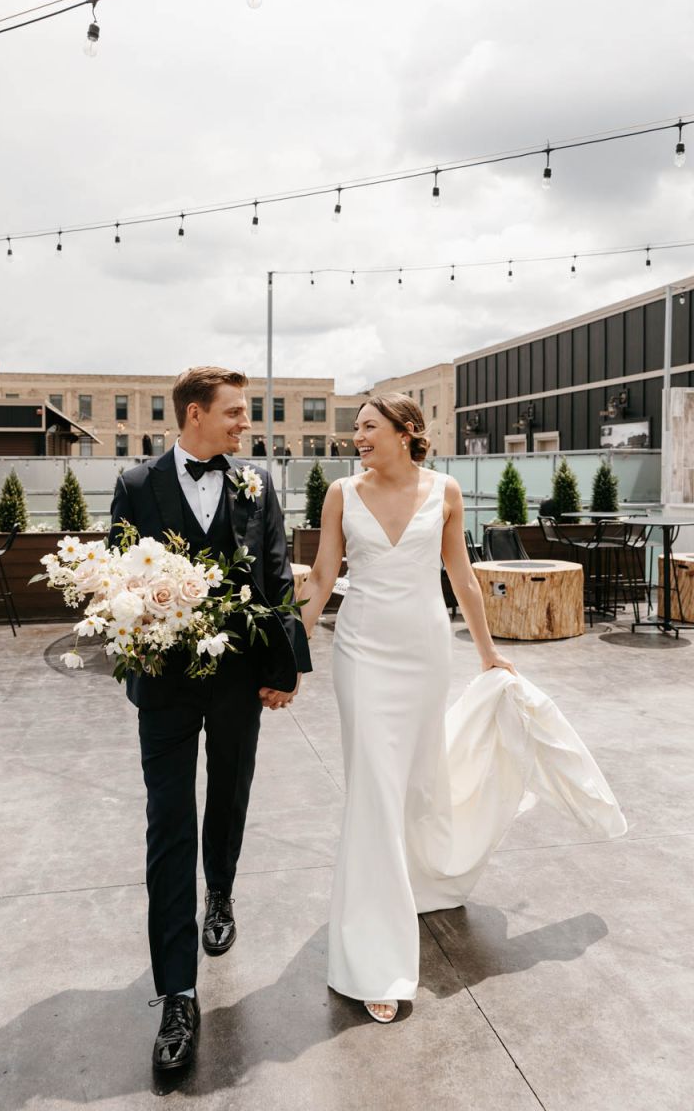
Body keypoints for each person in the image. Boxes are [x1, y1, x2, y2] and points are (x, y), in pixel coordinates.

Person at [299, 394, 626, 1023]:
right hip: (362, 652)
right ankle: (373, 956)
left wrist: (488, 655)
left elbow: (464, 578)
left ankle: (420, 883)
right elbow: (320, 576)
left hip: (424, 654)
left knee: (419, 779)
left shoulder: (445, 489)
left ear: (406, 432)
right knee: (372, 790)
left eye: (369, 427)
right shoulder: (341, 493)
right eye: (357, 428)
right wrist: (289, 654)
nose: (357, 436)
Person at [109, 366, 311, 1070]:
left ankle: (220, 891)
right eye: (233, 411)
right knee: (168, 825)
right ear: (194, 415)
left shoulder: (257, 483)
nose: (243, 423)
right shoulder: (136, 487)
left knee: (228, 793)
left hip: (236, 681)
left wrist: (285, 666)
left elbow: (278, 572)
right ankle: (178, 995)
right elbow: (118, 582)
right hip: (163, 685)